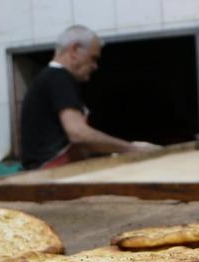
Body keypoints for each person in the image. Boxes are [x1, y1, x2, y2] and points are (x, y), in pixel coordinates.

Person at [19, 25, 157, 170]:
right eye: (93, 58)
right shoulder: (58, 78)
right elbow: (79, 134)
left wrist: (115, 152)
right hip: (49, 174)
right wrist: (133, 149)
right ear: (74, 50)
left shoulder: (50, 78)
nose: (95, 66)